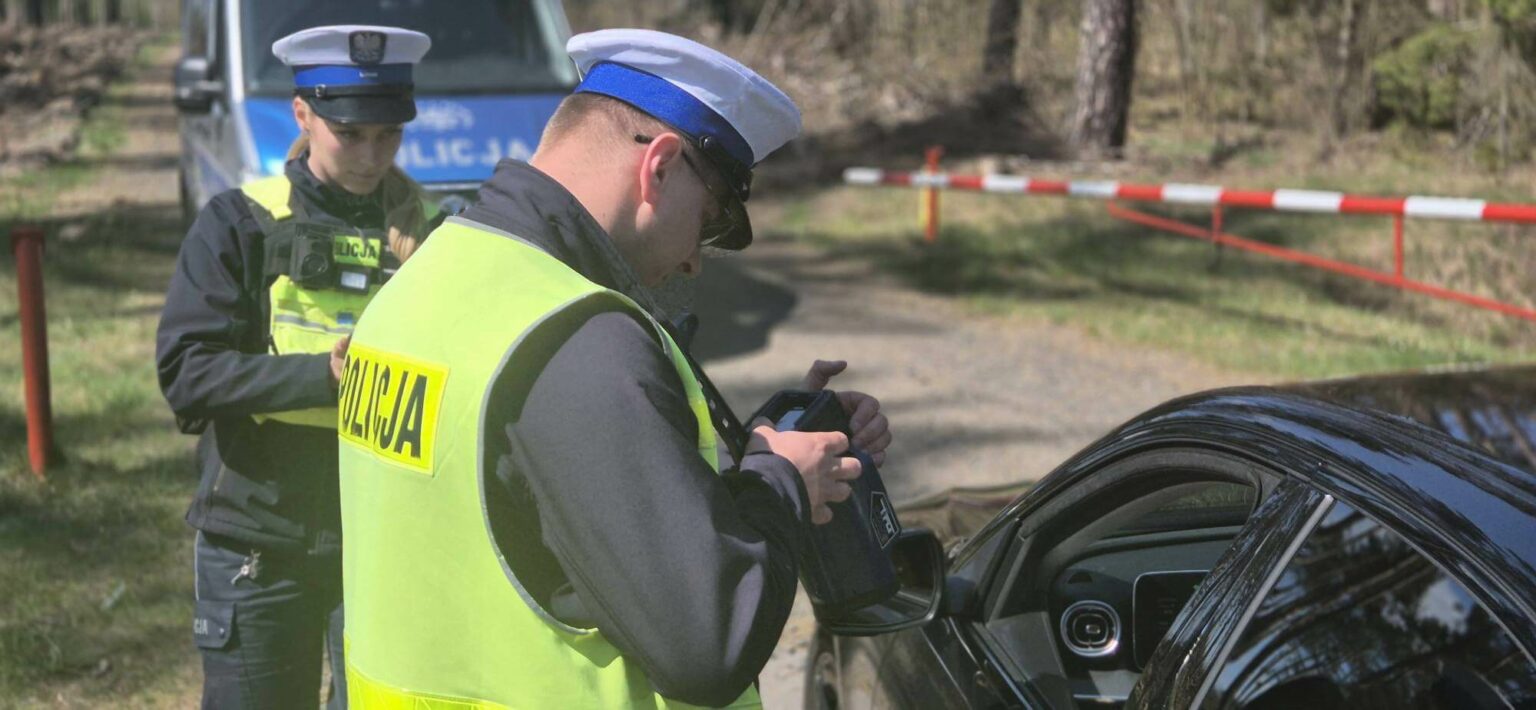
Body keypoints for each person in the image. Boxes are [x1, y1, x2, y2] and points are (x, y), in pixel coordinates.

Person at [336, 28, 892, 709]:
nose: (693, 259)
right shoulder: (578, 339)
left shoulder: (427, 279)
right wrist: (779, 485)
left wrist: (760, 450)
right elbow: (708, 646)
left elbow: (526, 510)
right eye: (710, 222)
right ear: (658, 167)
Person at [154, 25, 435, 709]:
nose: (372, 154)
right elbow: (189, 373)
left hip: (384, 542)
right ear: (303, 114)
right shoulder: (240, 221)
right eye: (351, 133)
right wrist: (324, 378)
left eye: (388, 134)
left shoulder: (431, 234)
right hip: (257, 541)